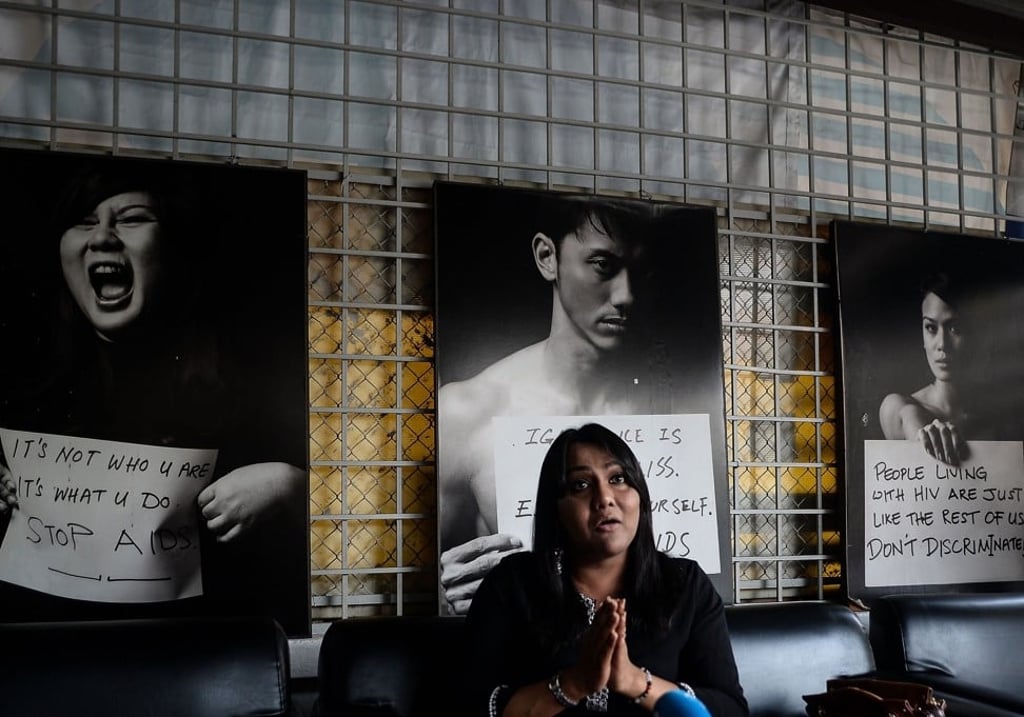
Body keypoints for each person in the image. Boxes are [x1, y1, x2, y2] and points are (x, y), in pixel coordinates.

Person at [0, 164, 306, 628]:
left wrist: (288, 485)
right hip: (49, 648)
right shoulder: (21, 374)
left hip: (199, 647)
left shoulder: (253, 369)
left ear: (175, 244)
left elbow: (351, 516)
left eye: (131, 218)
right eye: (84, 221)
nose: (102, 238)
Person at [438, 194, 688, 614]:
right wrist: (445, 597)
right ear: (546, 257)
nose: (626, 295)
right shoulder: (468, 411)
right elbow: (436, 586)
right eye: (603, 266)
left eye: (641, 272)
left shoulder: (674, 410)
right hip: (526, 666)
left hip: (644, 657)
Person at [464, 423, 748, 717]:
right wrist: (574, 683)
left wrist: (634, 681)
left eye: (619, 478)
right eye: (581, 485)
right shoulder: (512, 584)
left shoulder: (685, 584)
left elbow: (729, 709)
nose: (604, 498)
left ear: (640, 496)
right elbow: (468, 705)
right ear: (556, 508)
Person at [878, 270, 991, 466]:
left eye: (954, 328)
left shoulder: (997, 413)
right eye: (931, 328)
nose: (942, 344)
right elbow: (908, 416)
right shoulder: (899, 406)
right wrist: (922, 434)